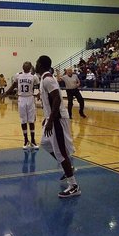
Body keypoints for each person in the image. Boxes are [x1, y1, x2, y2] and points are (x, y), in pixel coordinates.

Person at [35, 55, 81, 198]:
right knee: (45, 143)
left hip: (57, 120)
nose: (35, 65)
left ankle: (73, 185)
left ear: (41, 65)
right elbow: (50, 100)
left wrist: (50, 120)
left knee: (61, 152)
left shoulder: (48, 79)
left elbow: (56, 99)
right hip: (52, 118)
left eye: (37, 63)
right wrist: (47, 117)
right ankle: (68, 167)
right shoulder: (44, 78)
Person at [3, 61, 39, 149]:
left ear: (30, 67)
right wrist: (6, 93)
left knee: (31, 120)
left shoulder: (34, 76)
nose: (25, 66)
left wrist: (39, 93)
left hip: (30, 98)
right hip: (21, 98)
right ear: (22, 67)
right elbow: (13, 86)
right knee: (23, 120)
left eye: (27, 65)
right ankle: (26, 140)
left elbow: (39, 85)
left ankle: (33, 140)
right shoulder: (18, 75)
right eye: (24, 65)